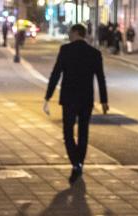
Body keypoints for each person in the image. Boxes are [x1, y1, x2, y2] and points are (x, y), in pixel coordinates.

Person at [44, 23, 109, 184]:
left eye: (70, 33)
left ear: (76, 33)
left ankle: (75, 162)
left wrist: (48, 96)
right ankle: (79, 162)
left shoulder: (65, 50)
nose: (69, 35)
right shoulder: (94, 53)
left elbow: (56, 74)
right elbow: (101, 78)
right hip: (86, 98)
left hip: (69, 98)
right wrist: (104, 100)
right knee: (83, 131)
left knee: (67, 132)